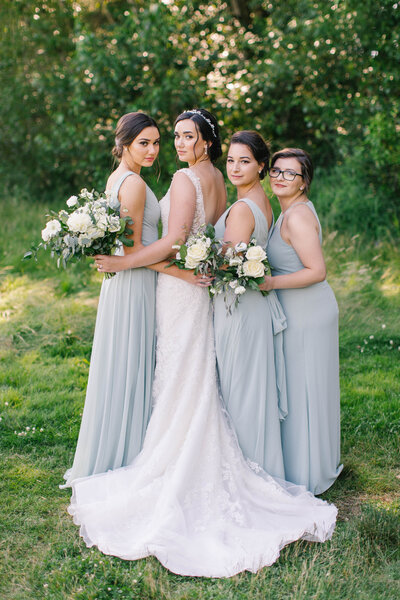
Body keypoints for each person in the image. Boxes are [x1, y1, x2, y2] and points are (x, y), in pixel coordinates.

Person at [68, 112, 337, 578]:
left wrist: (127, 259)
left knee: (180, 375)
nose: (174, 144)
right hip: (201, 291)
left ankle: (172, 455)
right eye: (171, 137)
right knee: (195, 374)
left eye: (186, 136)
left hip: (181, 291)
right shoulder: (220, 182)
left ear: (206, 142)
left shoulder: (186, 177)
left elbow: (175, 242)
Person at [61, 112, 162, 488]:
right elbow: (134, 250)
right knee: (132, 360)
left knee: (124, 360)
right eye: (144, 143)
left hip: (123, 279)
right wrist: (183, 268)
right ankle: (127, 453)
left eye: (155, 143)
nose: (152, 150)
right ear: (124, 144)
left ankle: (123, 446)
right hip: (135, 281)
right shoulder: (133, 184)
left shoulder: (116, 177)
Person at [261, 148, 342, 494]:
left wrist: (269, 282)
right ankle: (305, 463)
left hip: (308, 313)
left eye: (290, 174)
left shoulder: (296, 217)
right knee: (300, 388)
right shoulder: (289, 211)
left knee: (305, 389)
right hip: (299, 309)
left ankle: (309, 473)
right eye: (276, 171)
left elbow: (317, 270)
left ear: (304, 181)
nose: (280, 178)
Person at [213, 131, 287, 478]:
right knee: (250, 388)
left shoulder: (243, 208)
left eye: (245, 161)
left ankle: (243, 473)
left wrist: (186, 254)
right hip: (253, 304)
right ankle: (258, 468)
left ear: (261, 166)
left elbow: (225, 264)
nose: (235, 168)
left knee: (239, 389)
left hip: (238, 308)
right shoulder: (262, 200)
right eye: (230, 160)